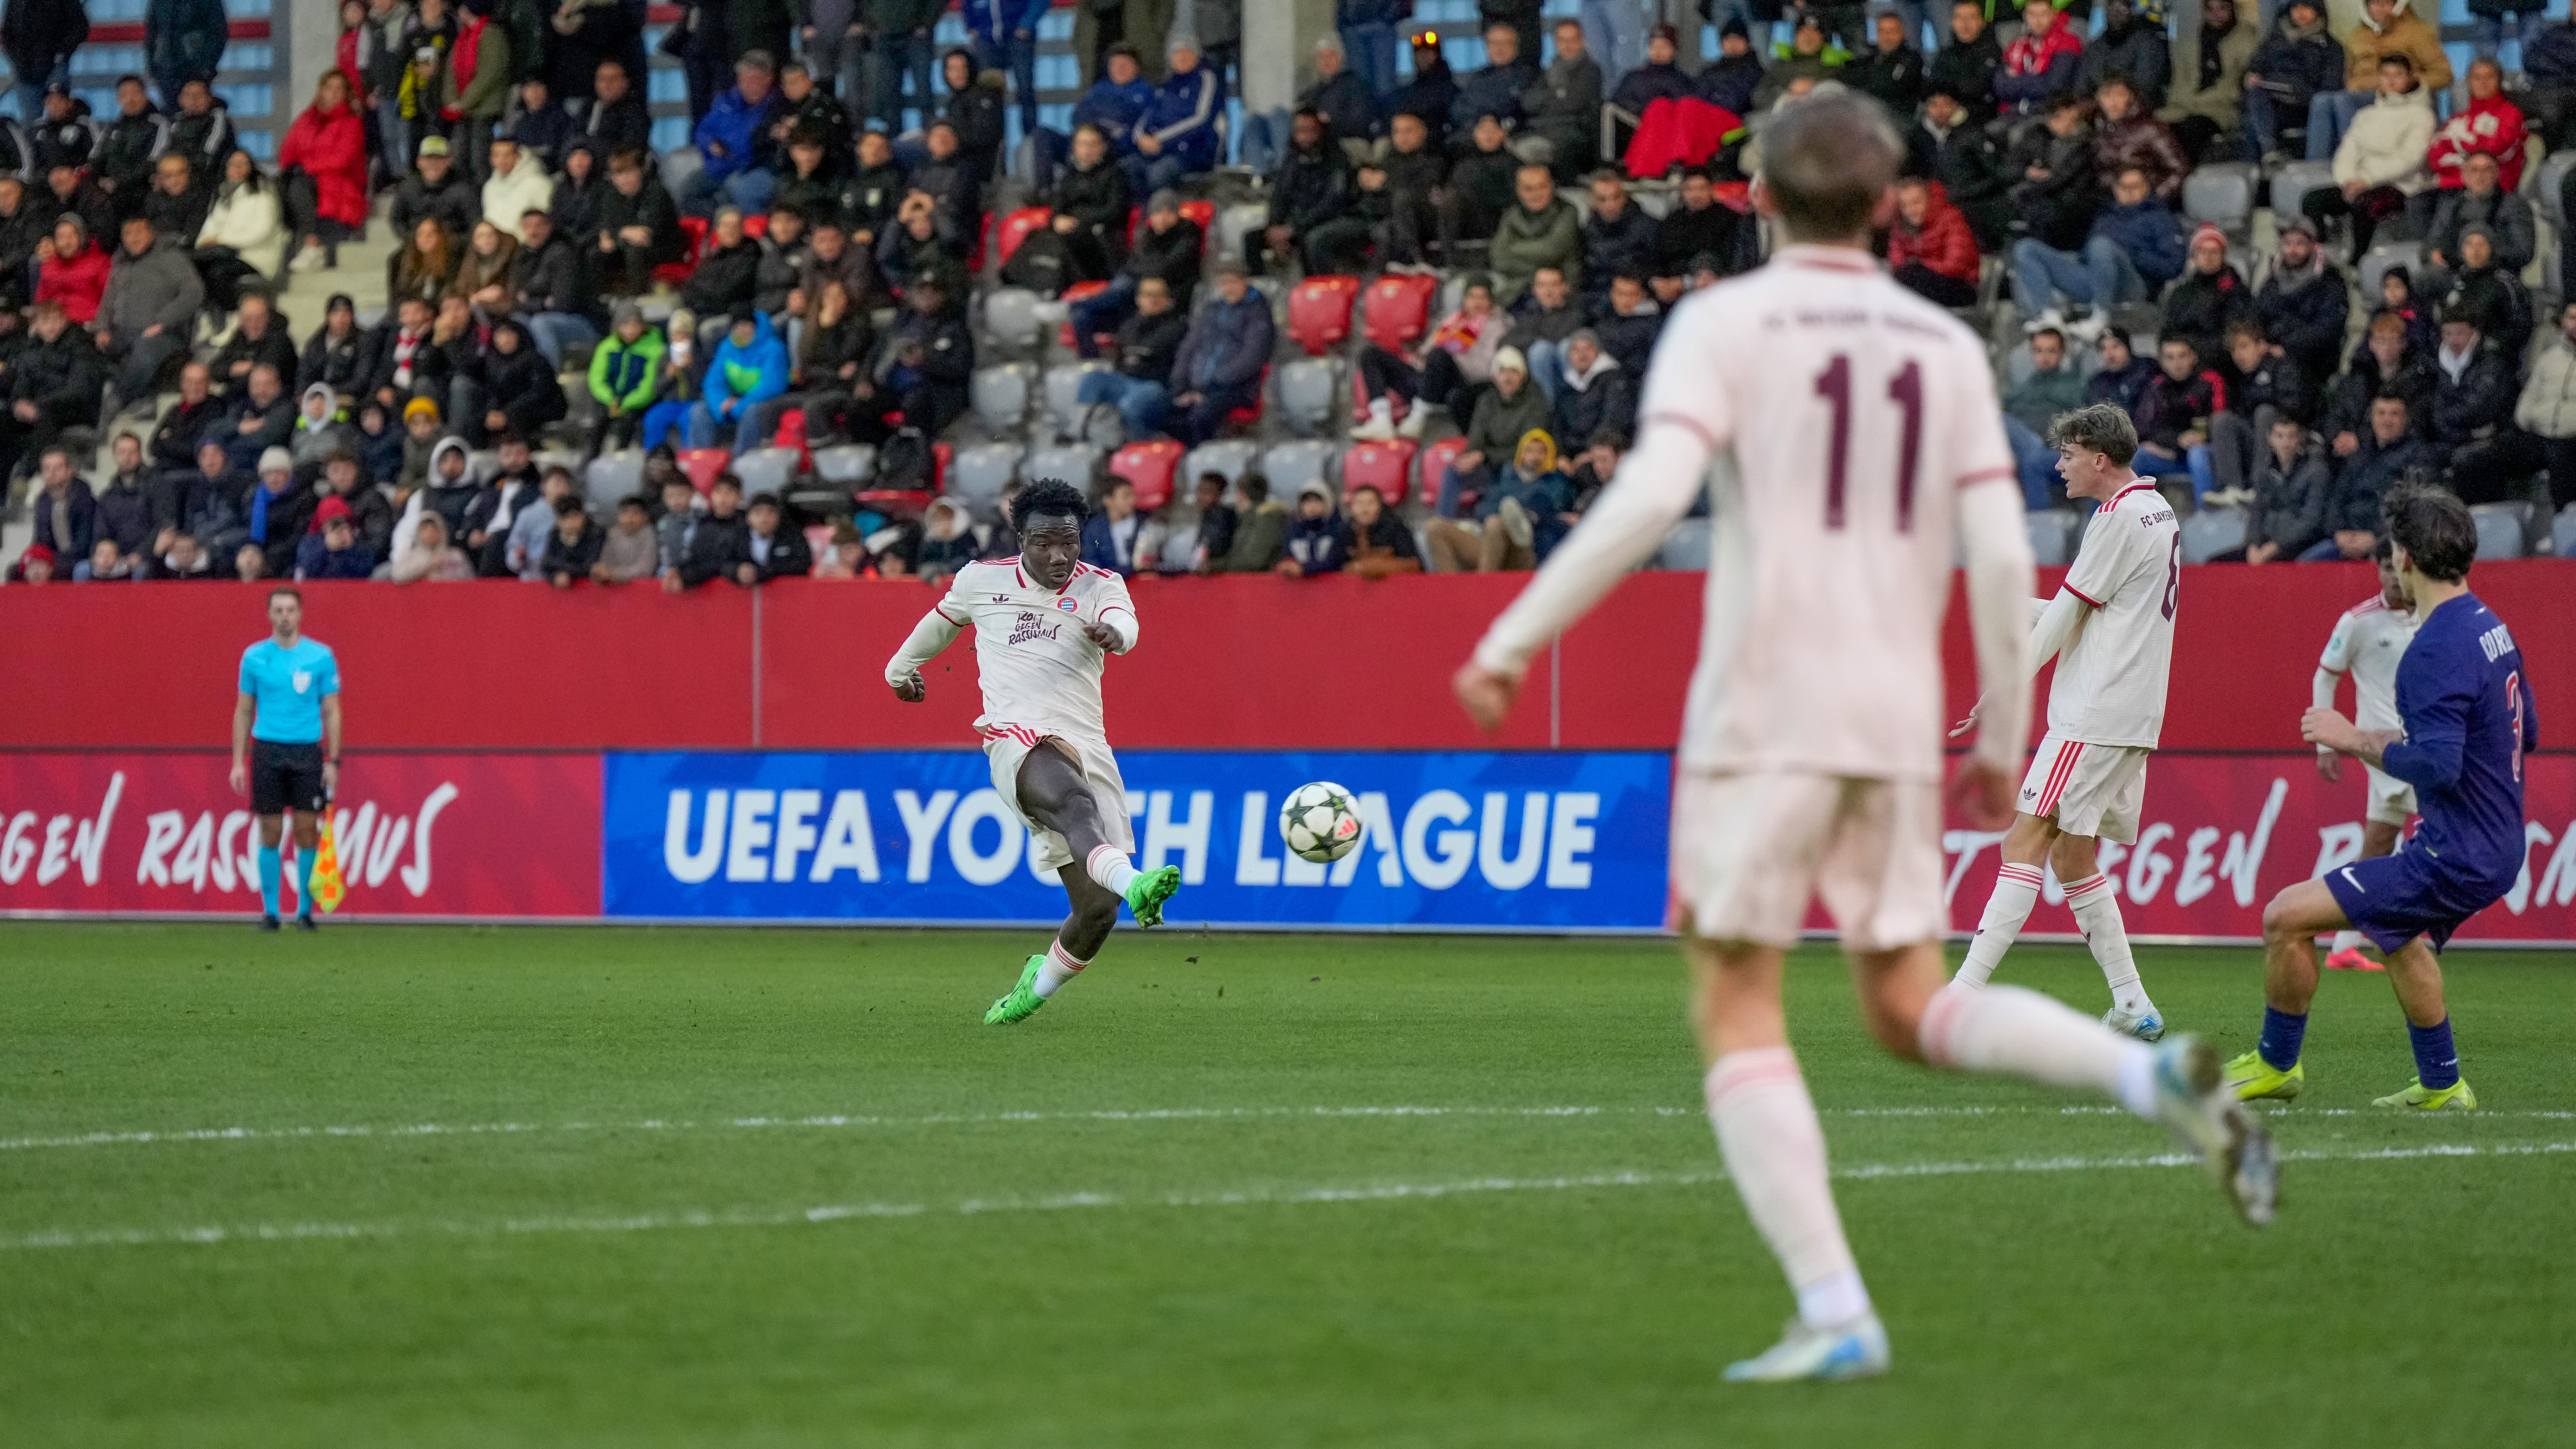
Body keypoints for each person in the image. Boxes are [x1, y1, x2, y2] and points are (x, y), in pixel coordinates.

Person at [1452, 93, 2273, 1382]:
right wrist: (2002, 723)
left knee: (1735, 996)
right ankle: (2146, 1074)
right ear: (1894, 207)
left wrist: (1511, 635)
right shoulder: (1938, 345)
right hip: (1890, 711)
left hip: (1764, 703)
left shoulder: (1721, 322)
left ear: (1759, 200)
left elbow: (1650, 495)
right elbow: (2003, 553)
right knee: (1899, 1002)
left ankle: (1834, 1305)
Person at [2233, 485, 2536, 1110]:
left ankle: (2274, 1063)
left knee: (2284, 916)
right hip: (2497, 841)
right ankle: (2442, 1083)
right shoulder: (2490, 626)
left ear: (2404, 558)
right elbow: (2523, 730)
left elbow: (2438, 767)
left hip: (2455, 853)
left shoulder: (2431, 647)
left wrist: (2351, 738)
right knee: (2397, 933)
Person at [885, 477, 1183, 1024]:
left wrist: (1116, 634)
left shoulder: (1102, 586)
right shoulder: (980, 580)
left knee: (1096, 910)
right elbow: (938, 626)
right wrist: (899, 670)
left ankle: (1036, 987)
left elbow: (1128, 624)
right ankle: (1136, 881)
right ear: (1019, 537)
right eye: (1044, 542)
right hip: (1015, 737)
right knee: (1073, 804)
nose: (1058, 555)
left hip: (1086, 744)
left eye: (1069, 542)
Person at [1950, 402, 2179, 1040]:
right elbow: (2093, 609)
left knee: (2023, 841)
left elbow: (2067, 620)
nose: (2059, 466)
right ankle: (2133, 1003)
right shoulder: (2155, 510)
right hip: (2132, 713)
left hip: (2094, 712)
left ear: (2098, 458)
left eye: (2068, 455)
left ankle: (1960, 995)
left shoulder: (2115, 517)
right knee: (2073, 855)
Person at [2305, 539, 2419, 968]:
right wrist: (2325, 741)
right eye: (2386, 568)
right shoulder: (2358, 621)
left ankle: (2341, 947)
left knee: (2379, 842)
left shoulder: (2430, 616)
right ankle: (2400, 930)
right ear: (2378, 570)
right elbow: (2325, 678)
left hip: (2418, 743)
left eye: (2399, 567)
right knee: (2439, 828)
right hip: (2382, 749)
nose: (2393, 576)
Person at [229, 586, 342, 931]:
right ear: (269, 615)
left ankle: (304, 912)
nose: (284, 617)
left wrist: (333, 761)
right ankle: (271, 912)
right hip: (267, 750)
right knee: (270, 830)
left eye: (290, 610)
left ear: (301, 614)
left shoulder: (321, 656)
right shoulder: (254, 657)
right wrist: (238, 761)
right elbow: (244, 710)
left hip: (307, 751)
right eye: (278, 610)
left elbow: (333, 711)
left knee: (307, 830)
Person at [1354, 273, 1503, 440]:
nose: (1476, 303)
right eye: (1472, 297)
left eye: (1482, 298)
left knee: (1441, 355)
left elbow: (1485, 370)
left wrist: (1452, 355)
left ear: (1491, 301)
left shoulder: (1496, 326)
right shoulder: (1455, 319)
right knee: (1371, 354)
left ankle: (1418, 417)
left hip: (1457, 383)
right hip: (1427, 377)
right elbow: (1427, 351)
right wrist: (1419, 360)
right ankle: (1381, 420)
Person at [2309, 0, 2447, 161]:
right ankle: (2314, 166)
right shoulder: (2358, 35)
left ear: (2398, 5)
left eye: (2387, 3)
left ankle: (2354, 160)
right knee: (2322, 101)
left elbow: (2443, 75)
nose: (2380, 8)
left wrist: (2406, 82)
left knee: (2342, 100)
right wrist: (2352, 84)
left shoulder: (2417, 32)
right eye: (2375, 3)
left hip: (2396, 97)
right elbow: (2348, 73)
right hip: (2358, 93)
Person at [94, 213, 204, 411]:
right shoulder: (120, 265)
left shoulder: (171, 257)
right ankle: (143, 399)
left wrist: (163, 321)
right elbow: (107, 301)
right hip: (123, 333)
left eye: (139, 232)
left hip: (164, 332)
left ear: (151, 233)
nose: (134, 238)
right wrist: (102, 328)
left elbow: (194, 292)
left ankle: (118, 401)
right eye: (128, 234)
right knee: (87, 352)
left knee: (145, 350)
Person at [1165, 261, 1272, 446]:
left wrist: (1208, 386)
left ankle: (1204, 458)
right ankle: (1192, 458)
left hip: (1238, 387)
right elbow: (1189, 347)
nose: (1228, 288)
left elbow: (1251, 358)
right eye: (1224, 283)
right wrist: (1181, 383)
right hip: (1200, 384)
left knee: (1199, 417)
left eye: (1233, 282)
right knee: (1166, 413)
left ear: (1245, 281)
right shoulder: (1212, 310)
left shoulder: (1258, 312)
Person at [1074, 273, 1184, 440]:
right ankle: (1079, 436)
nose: (1152, 300)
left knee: (1130, 404)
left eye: (1158, 295)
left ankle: (1137, 449)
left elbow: (1166, 359)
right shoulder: (1129, 326)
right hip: (1124, 380)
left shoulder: (1178, 327)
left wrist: (1141, 355)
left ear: (1167, 300)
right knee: (1092, 378)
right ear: (1139, 299)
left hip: (1156, 386)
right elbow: (1121, 358)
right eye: (1148, 295)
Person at [280, 69, 369, 274]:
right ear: (321, 91)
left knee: (300, 181)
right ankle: (310, 243)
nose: (335, 94)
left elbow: (342, 160)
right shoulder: (306, 120)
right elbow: (287, 153)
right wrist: (302, 167)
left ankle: (312, 245)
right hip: (310, 191)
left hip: (339, 194)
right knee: (287, 181)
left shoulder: (352, 123)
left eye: (340, 89)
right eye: (330, 88)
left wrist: (308, 165)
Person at [2241, 0, 2343, 164]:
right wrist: (2250, 77)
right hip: (2270, 103)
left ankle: (2259, 172)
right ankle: (2264, 159)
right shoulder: (2273, 41)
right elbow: (2253, 68)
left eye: (2307, 8)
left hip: (2304, 108)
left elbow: (2330, 88)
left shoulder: (2331, 48)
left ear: (2318, 11)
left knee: (2255, 118)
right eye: (2297, 7)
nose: (2301, 12)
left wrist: (2300, 92)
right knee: (2255, 99)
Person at [2159, 0, 2255, 161]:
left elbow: (2234, 89)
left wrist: (2193, 101)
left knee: (2189, 133)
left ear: (2233, 10)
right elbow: (2179, 83)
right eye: (2211, 10)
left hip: (2218, 111)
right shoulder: (2192, 43)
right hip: (2183, 108)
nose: (2216, 15)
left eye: (2222, 8)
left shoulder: (2245, 41)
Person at [1126, 38, 1223, 193]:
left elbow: (1201, 119)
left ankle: (1156, 216)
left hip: (1192, 152)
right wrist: (1141, 138)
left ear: (1196, 55)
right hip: (1158, 151)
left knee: (1157, 175)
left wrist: (1159, 139)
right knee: (1125, 169)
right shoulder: (1166, 85)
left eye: (1186, 53)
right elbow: (1147, 116)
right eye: (1176, 54)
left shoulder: (1205, 78)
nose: (1181, 58)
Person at [592, 146, 685, 295]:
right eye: (619, 174)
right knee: (595, 252)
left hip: (664, 246)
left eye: (629, 172)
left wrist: (618, 232)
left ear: (641, 171)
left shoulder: (656, 192)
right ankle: (600, 301)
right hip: (626, 243)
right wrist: (613, 235)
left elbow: (645, 235)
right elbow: (606, 226)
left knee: (635, 251)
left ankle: (636, 300)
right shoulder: (610, 196)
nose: (624, 179)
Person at [1887, 174, 1977, 308]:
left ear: (1930, 200)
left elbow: (1957, 265)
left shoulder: (1950, 219)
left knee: (1913, 281)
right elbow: (1897, 261)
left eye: (1916, 202)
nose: (1911, 210)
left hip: (1959, 286)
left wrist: (1922, 265)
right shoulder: (1901, 227)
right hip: (1918, 284)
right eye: (1904, 206)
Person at [1079, 476, 1143, 574]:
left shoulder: (1144, 523)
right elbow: (1090, 563)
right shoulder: (1094, 529)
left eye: (1133, 495)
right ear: (1108, 501)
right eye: (1126, 496)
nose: (1132, 501)